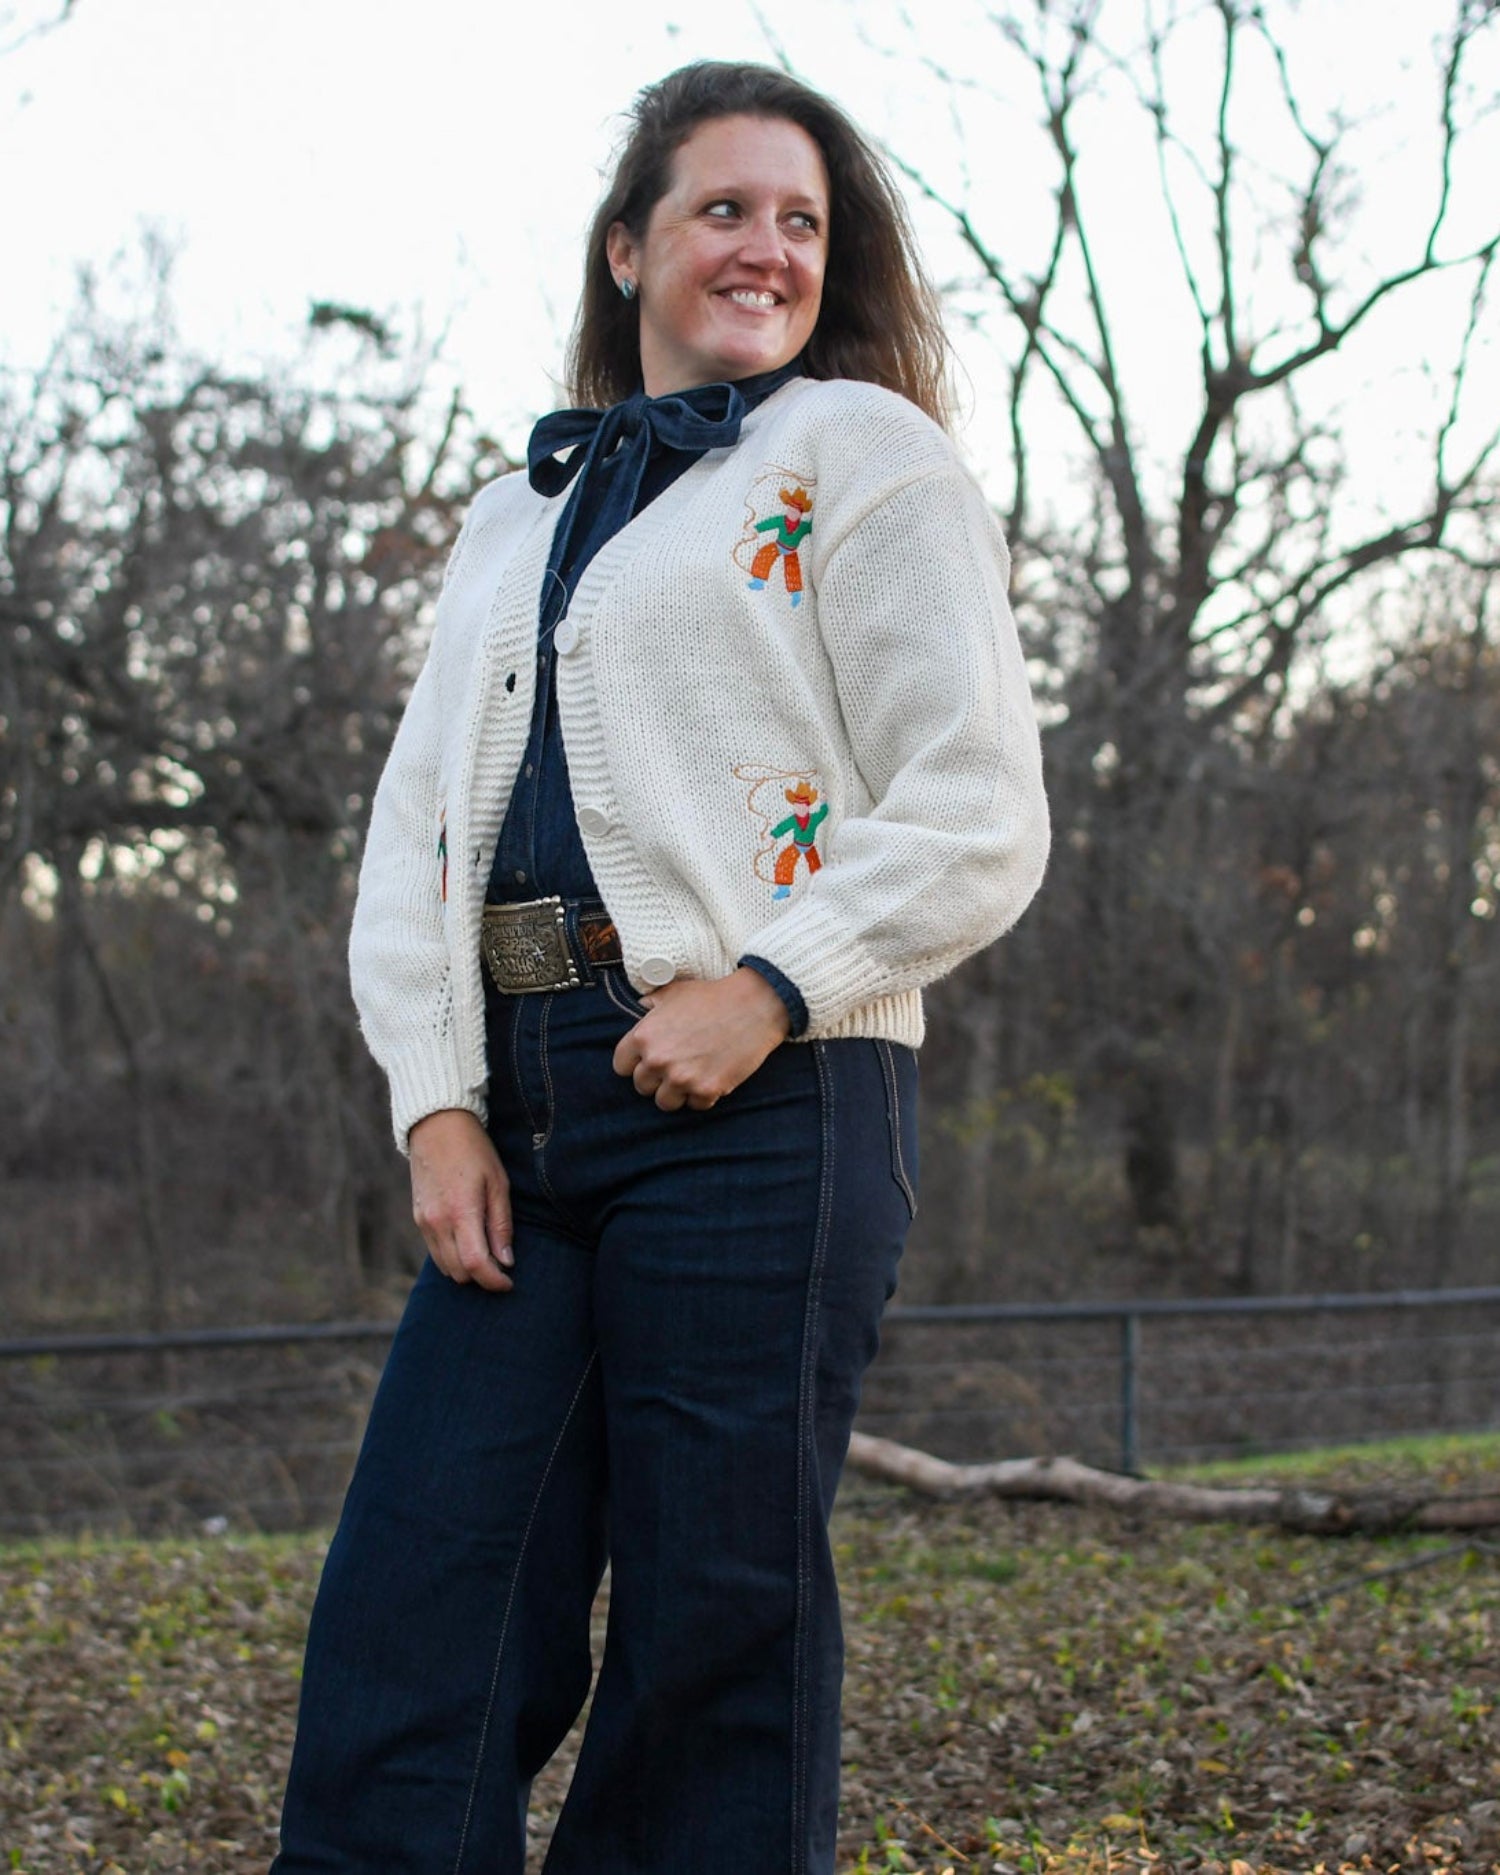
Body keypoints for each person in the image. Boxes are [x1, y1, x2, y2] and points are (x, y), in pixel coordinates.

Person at [271, 59, 1048, 1875]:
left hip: (769, 1103)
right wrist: (436, 1103)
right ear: (628, 247)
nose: (767, 248)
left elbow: (977, 806)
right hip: (519, 1120)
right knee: (417, 1609)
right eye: (724, 209)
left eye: (802, 220)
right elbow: (415, 837)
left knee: (714, 1634)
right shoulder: (514, 511)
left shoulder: (865, 455)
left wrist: (771, 984)